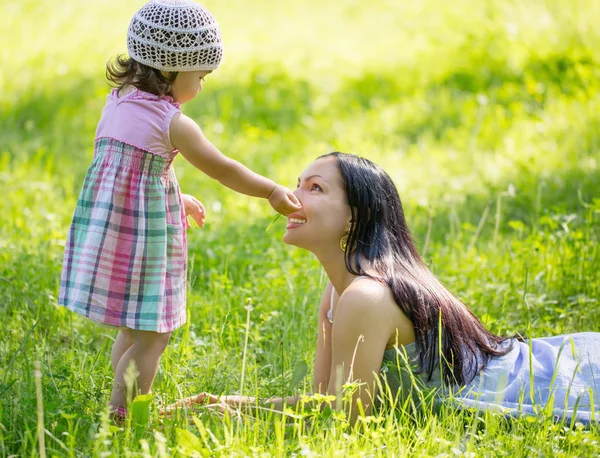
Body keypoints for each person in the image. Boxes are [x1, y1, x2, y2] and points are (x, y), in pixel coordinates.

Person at [169, 152, 600, 424]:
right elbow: (327, 399)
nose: (293, 196)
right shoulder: (338, 292)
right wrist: (229, 401)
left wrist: (244, 418)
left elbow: (347, 420)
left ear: (355, 217)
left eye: (314, 188)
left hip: (550, 384)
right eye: (297, 183)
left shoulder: (364, 297)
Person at [58, 0, 301, 421]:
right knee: (155, 334)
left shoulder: (117, 100)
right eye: (201, 75)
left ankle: (117, 404)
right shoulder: (174, 123)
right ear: (171, 69)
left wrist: (174, 197)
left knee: (133, 327)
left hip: (115, 233)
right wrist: (271, 191)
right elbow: (223, 168)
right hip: (145, 243)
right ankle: (124, 414)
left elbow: (133, 170)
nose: (203, 85)